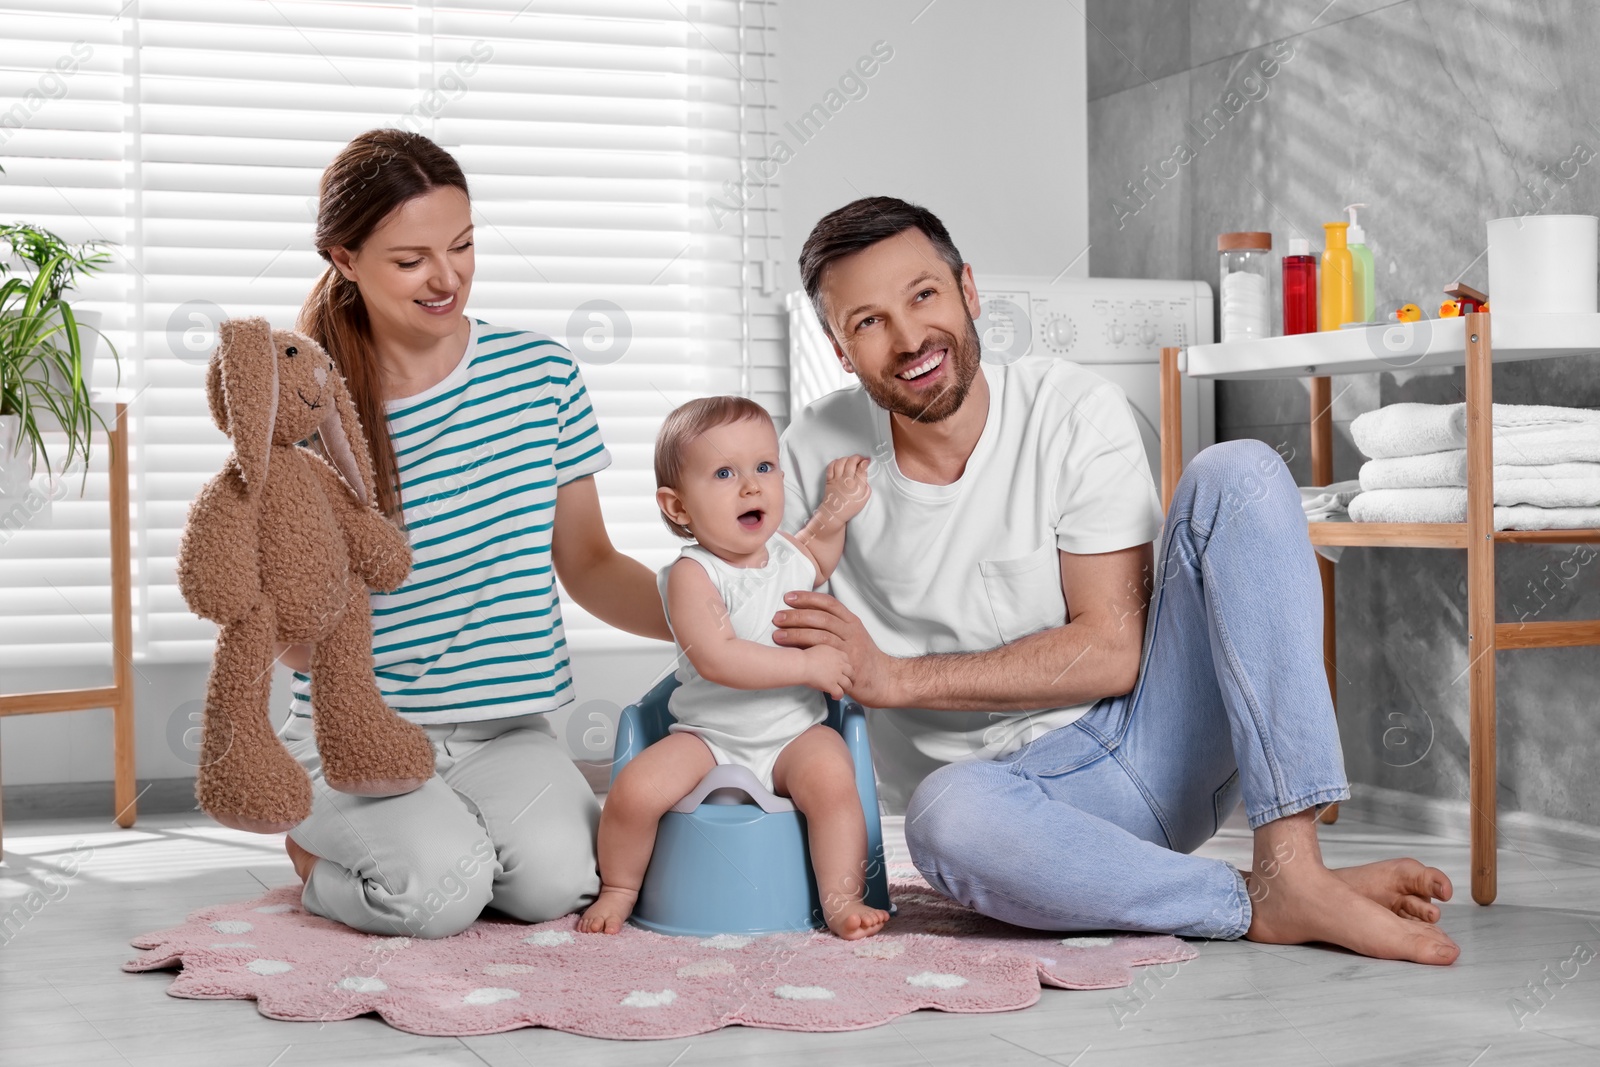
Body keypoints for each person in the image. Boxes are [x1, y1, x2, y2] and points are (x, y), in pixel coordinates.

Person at [770, 196, 1461, 965]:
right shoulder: (811, 452)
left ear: (969, 290)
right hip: (1009, 813)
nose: (907, 339)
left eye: (922, 295)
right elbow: (752, 617)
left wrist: (894, 676)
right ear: (839, 350)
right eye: (867, 322)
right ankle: (1260, 896)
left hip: (1144, 750)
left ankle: (1292, 861)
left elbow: (1110, 650)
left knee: (1243, 471)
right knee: (944, 816)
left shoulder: (1073, 412)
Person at [273, 128, 671, 938]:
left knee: (559, 884)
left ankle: (443, 831)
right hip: (359, 733)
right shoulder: (306, 404)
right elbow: (287, 631)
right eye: (411, 258)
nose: (446, 276)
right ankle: (318, 850)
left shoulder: (543, 375)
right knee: (434, 899)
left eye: (462, 245)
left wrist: (710, 616)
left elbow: (589, 562)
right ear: (345, 259)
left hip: (505, 728)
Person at [578, 397, 889, 939]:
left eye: (764, 467)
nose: (751, 486)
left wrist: (836, 507)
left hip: (795, 733)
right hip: (708, 736)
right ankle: (621, 887)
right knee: (632, 792)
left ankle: (841, 898)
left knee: (836, 787)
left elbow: (819, 548)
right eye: (724, 473)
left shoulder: (787, 555)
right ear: (679, 509)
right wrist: (808, 666)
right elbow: (717, 658)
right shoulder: (692, 575)